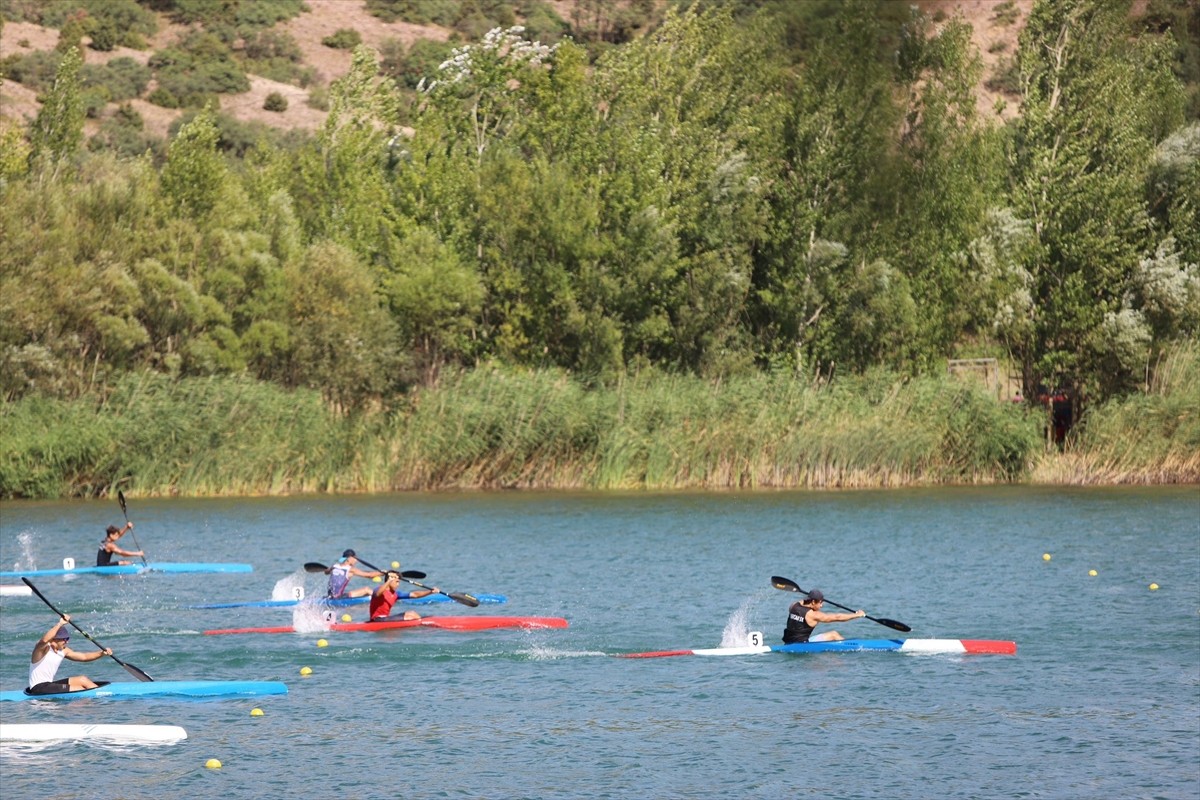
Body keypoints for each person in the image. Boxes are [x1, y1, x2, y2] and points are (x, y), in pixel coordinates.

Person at [26, 616, 111, 694]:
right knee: (80, 689)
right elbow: (44, 640)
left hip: (49, 685)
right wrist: (60, 624)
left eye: (68, 638)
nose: (67, 642)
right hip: (38, 688)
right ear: (55, 639)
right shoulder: (42, 650)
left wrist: (101, 653)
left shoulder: (63, 651)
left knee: (83, 679)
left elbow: (84, 657)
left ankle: (101, 695)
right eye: (64, 639)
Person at [782, 589, 865, 644]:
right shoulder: (813, 615)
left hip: (788, 642)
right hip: (802, 645)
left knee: (833, 633)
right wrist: (857, 615)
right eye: (820, 603)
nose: (821, 606)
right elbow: (837, 617)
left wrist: (812, 598)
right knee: (834, 635)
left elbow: (802, 602)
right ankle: (850, 647)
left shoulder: (793, 606)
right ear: (813, 602)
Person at [368, 570, 439, 622]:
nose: (398, 584)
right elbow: (378, 593)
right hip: (377, 619)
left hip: (385, 618)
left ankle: (422, 625)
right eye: (397, 582)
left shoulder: (396, 594)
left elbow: (415, 595)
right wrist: (389, 580)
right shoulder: (378, 589)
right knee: (410, 617)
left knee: (412, 613)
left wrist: (430, 592)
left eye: (398, 582)